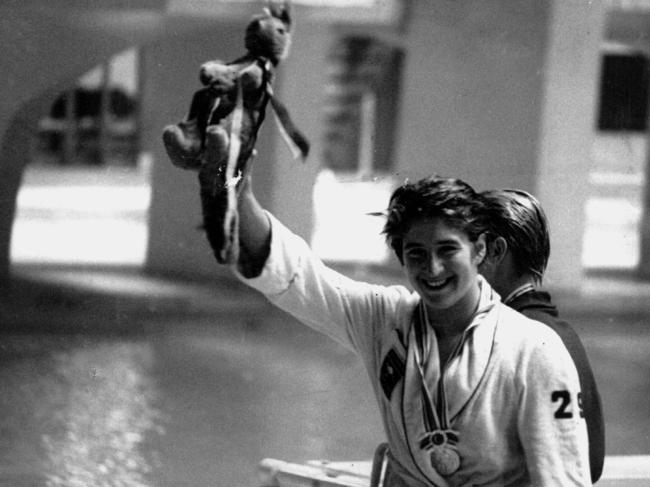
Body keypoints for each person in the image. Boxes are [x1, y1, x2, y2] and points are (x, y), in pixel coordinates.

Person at [199, 166, 591, 485]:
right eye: (416, 253)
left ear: (481, 250)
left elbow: (562, 480)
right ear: (400, 257)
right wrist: (234, 186)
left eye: (447, 250)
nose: (432, 269)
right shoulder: (385, 319)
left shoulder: (535, 349)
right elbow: (297, 275)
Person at [478, 188, 605, 483]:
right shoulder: (562, 333)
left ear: (496, 251)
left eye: (470, 249)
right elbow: (590, 463)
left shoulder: (512, 338)